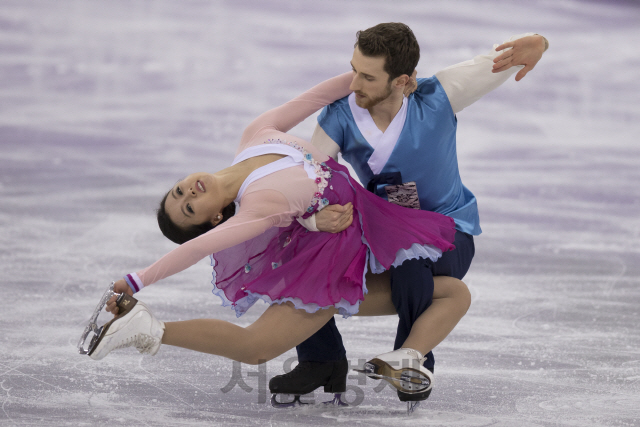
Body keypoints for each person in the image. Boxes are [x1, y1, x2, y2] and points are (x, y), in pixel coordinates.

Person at [88, 70, 472, 405]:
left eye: (179, 192)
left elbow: (317, 97)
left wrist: (381, 75)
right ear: (217, 217)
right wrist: (139, 280)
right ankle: (147, 330)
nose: (189, 194)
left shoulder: (254, 137)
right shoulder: (257, 205)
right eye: (190, 209)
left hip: (367, 231)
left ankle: (407, 355)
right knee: (256, 346)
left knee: (454, 293)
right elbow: (199, 247)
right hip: (333, 266)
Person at [270, 23, 549, 405]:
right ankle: (322, 358)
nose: (353, 84)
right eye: (353, 69)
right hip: (386, 232)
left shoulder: (439, 95)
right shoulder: (339, 116)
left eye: (367, 76)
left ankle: (412, 359)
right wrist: (313, 222)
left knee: (411, 260)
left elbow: (496, 61)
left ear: (402, 80)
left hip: (452, 230)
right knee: (299, 251)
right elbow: (308, 183)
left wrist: (539, 42)